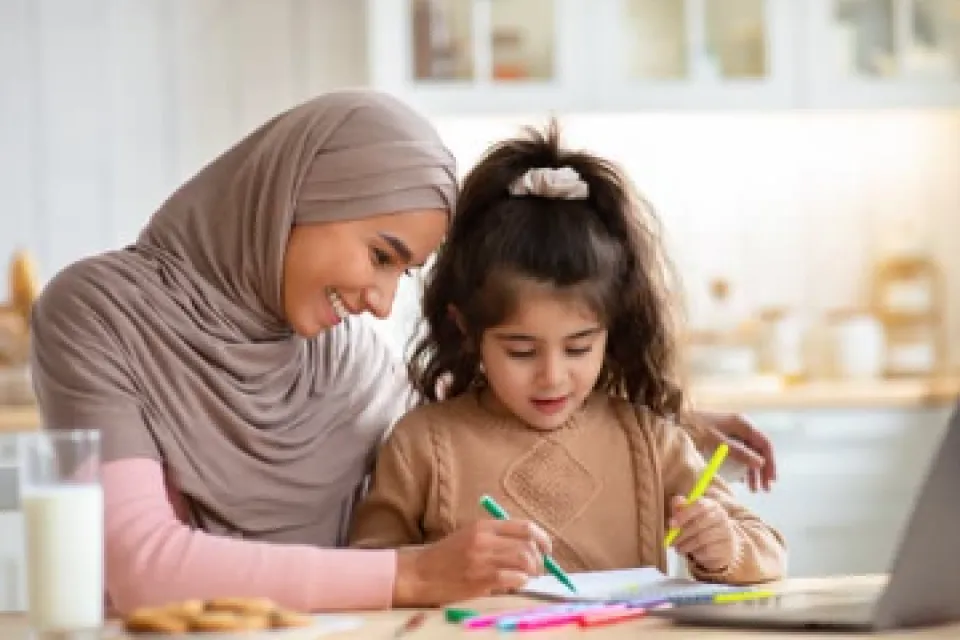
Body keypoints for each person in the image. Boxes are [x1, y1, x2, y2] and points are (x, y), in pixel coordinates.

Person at [29, 89, 775, 614]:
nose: (383, 302)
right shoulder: (98, 313)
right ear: (298, 197)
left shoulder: (341, 351)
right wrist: (410, 574)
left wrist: (650, 418)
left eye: (404, 272)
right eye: (380, 255)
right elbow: (141, 567)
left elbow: (476, 427)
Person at [349, 122, 787, 595]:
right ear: (467, 331)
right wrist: (436, 566)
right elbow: (369, 572)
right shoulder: (422, 444)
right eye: (520, 351)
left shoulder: (653, 443)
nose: (552, 377)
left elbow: (768, 552)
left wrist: (725, 547)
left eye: (579, 348)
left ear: (611, 331)